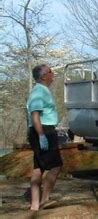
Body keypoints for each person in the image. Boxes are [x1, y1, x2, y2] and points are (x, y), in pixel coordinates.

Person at [27, 64, 63, 211]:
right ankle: (44, 200)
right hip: (43, 130)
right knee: (55, 166)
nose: (52, 74)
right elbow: (35, 115)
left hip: (41, 130)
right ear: (43, 76)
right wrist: (42, 135)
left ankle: (34, 206)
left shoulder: (42, 90)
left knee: (38, 167)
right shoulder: (38, 92)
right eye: (50, 72)